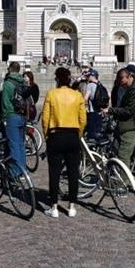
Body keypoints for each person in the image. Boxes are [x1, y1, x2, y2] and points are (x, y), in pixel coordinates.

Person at [42, 67, 87, 218]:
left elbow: (45, 119)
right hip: (73, 135)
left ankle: (54, 207)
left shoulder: (51, 94)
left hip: (56, 135)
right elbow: (83, 119)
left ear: (57, 79)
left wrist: (47, 135)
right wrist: (78, 134)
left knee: (54, 173)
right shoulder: (77, 95)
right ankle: (72, 206)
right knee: (73, 172)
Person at [105, 67, 135, 167]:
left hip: (131, 125)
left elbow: (129, 110)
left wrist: (110, 110)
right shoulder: (127, 87)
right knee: (117, 151)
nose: (122, 86)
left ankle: (124, 182)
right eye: (120, 84)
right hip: (123, 124)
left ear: (130, 76)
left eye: (124, 83)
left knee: (123, 155)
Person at [0, 62, 28, 175]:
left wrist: (4, 118)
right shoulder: (23, 82)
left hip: (12, 116)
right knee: (21, 144)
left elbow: (5, 103)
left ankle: (15, 172)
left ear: (10, 69)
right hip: (22, 115)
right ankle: (23, 170)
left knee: (13, 145)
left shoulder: (8, 83)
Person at [83, 69, 105, 139]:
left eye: (89, 76)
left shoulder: (90, 85)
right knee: (98, 132)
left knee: (91, 133)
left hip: (92, 111)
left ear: (93, 76)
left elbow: (86, 97)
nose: (87, 77)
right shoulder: (100, 84)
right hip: (100, 112)